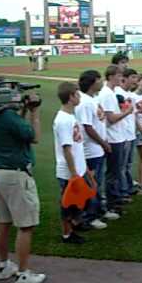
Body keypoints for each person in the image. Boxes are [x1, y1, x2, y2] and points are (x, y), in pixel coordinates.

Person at [0, 76, 46, 282]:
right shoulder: (8, 116)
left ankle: (4, 266)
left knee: (3, 222)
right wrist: (34, 112)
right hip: (16, 175)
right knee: (26, 226)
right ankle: (24, 274)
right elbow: (33, 136)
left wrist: (23, 111)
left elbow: (18, 131)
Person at [53, 82, 96, 244]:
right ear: (71, 97)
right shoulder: (63, 120)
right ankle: (67, 234)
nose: (79, 97)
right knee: (67, 204)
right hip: (69, 172)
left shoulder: (71, 116)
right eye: (77, 94)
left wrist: (83, 169)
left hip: (78, 169)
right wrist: (74, 175)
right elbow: (66, 149)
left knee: (79, 202)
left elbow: (77, 147)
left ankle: (75, 224)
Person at [76, 70, 117, 229]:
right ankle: (90, 216)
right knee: (92, 184)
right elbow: (87, 127)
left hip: (97, 148)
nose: (102, 82)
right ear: (92, 83)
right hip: (91, 150)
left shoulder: (92, 99)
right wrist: (103, 143)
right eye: (99, 80)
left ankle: (99, 210)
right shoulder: (85, 102)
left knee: (97, 183)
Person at [98, 65, 134, 213]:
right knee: (113, 173)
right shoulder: (106, 94)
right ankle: (111, 204)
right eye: (119, 76)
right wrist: (127, 112)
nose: (122, 79)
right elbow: (111, 118)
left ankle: (115, 200)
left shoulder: (110, 93)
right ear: (112, 76)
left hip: (117, 137)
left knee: (116, 171)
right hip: (112, 138)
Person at [115, 68, 139, 199]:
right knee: (121, 165)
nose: (136, 80)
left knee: (128, 164)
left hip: (131, 133)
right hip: (122, 134)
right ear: (126, 78)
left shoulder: (131, 94)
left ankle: (128, 187)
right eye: (134, 77)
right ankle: (122, 191)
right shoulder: (118, 93)